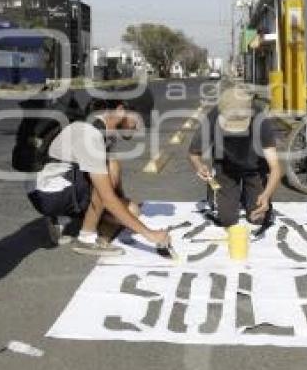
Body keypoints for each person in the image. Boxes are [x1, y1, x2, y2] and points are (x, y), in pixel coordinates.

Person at [27, 97, 170, 256]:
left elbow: (112, 192)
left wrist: (121, 206)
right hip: (47, 194)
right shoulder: (91, 135)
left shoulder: (105, 131)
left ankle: (66, 219)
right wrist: (150, 234)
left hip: (63, 183)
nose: (138, 128)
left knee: (132, 211)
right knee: (109, 170)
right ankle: (85, 238)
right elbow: (107, 195)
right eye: (138, 120)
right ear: (121, 110)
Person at [188, 85, 281, 227]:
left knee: (258, 218)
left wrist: (266, 195)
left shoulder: (261, 120)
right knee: (227, 220)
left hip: (255, 169)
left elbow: (275, 168)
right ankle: (225, 194)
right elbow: (194, 153)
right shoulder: (212, 118)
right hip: (226, 168)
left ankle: (248, 194)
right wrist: (199, 166)